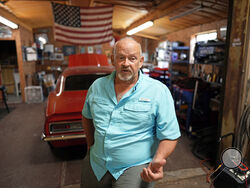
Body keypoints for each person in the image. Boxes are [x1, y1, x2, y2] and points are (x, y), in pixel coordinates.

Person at [81, 37, 181, 188]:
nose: (126, 63)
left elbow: (170, 135)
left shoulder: (158, 91)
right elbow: (86, 116)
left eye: (132, 58)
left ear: (140, 62)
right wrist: (91, 146)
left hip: (135, 167)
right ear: (112, 60)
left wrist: (157, 160)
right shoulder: (97, 87)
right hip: (97, 163)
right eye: (121, 58)